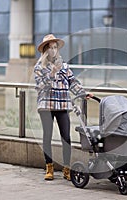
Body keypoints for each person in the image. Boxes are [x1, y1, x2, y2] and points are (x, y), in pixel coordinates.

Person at [34, 34, 92, 181]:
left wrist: (83, 93)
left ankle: (67, 169)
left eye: (55, 47)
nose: (53, 50)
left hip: (62, 104)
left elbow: (73, 82)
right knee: (47, 136)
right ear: (45, 50)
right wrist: (52, 74)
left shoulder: (64, 66)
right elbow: (39, 87)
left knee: (66, 137)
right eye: (50, 48)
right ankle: (49, 168)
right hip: (46, 105)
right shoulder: (39, 67)